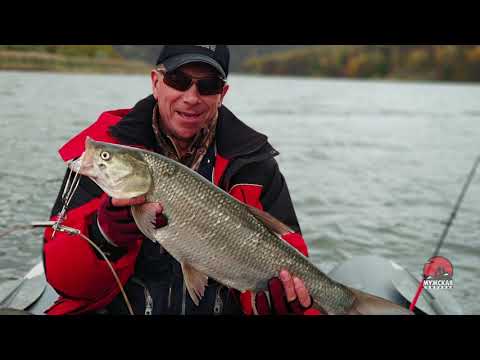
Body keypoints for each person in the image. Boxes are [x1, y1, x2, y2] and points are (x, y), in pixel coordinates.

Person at [42, 45, 322, 315]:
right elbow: (65, 280)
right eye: (178, 80)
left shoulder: (255, 164)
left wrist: (278, 304)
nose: (191, 97)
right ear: (156, 82)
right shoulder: (109, 154)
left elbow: (293, 254)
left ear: (222, 93)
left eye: (208, 85)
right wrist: (103, 233)